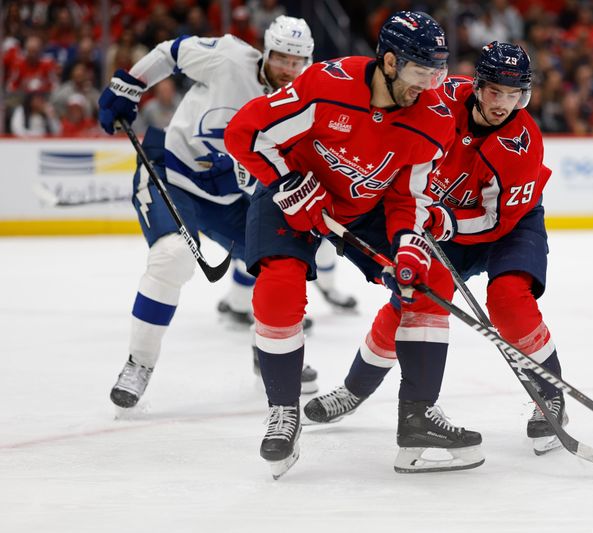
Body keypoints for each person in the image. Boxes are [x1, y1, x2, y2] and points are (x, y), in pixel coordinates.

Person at [224, 11, 483, 479]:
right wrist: (286, 184)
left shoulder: (432, 120)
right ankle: (284, 411)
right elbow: (245, 133)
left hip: (364, 210)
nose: (429, 84)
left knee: (428, 282)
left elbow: (410, 194)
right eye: (420, 70)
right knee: (278, 287)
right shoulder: (327, 84)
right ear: (388, 61)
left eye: (436, 71)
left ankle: (418, 417)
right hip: (292, 197)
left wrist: (407, 245)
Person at [304, 42, 567, 455]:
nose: (503, 104)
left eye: (514, 94)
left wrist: (444, 220)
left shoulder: (522, 142)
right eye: (495, 91)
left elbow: (499, 220)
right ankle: (355, 390)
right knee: (410, 302)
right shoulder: (437, 100)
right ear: (477, 85)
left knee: (509, 300)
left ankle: (549, 396)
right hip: (438, 220)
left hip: (508, 225)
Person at [97, 16, 348, 409]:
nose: (288, 69)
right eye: (281, 58)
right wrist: (131, 84)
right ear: (266, 51)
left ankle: (268, 357)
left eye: (297, 61)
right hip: (174, 174)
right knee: (172, 257)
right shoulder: (229, 58)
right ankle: (138, 364)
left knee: (281, 264)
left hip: (232, 197)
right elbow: (170, 53)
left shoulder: (308, 98)